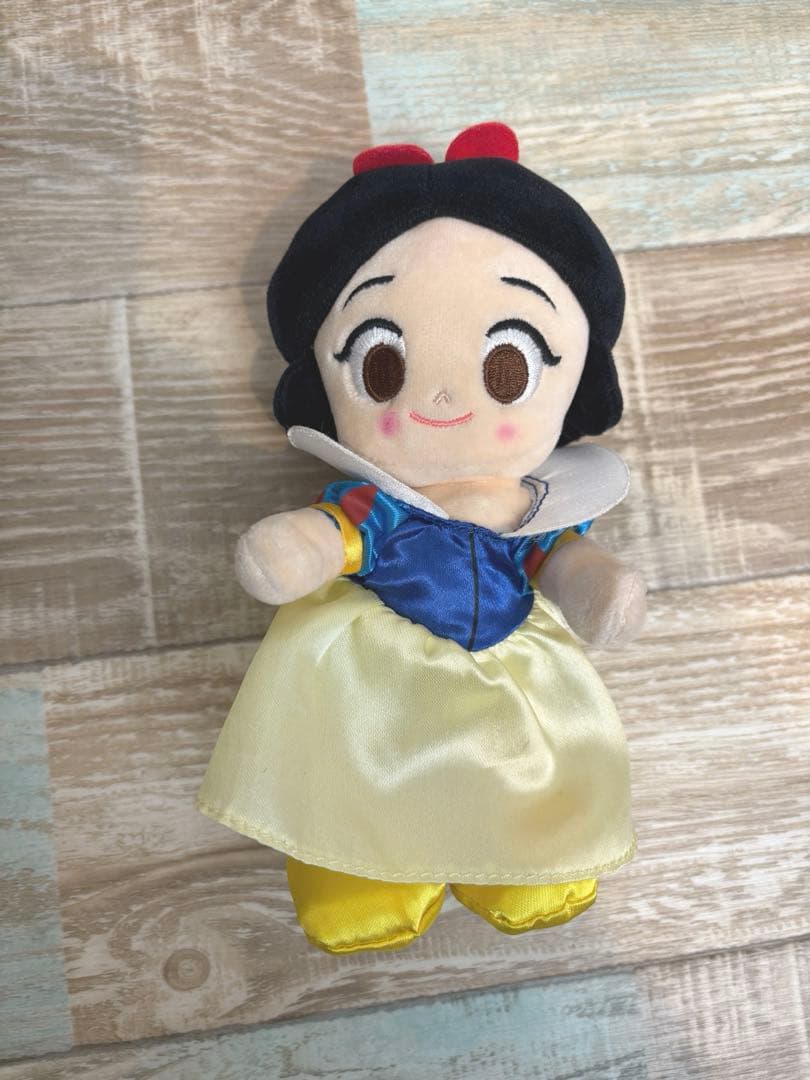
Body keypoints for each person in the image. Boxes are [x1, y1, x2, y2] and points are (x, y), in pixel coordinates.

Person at [197, 122, 646, 955]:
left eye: (508, 366)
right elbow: (331, 537)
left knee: (524, 761)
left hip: (511, 664)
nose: (443, 399)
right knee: (359, 762)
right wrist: (297, 548)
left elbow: (562, 559)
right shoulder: (379, 508)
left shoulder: (537, 509)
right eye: (382, 367)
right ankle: (364, 868)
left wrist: (596, 584)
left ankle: (522, 854)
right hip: (375, 676)